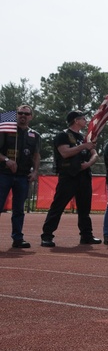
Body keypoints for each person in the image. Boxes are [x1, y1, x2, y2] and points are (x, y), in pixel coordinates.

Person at [40, 110, 100, 246]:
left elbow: (95, 154)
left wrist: (88, 163)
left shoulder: (84, 137)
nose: (86, 120)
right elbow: (65, 152)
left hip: (84, 175)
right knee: (58, 206)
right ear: (75, 120)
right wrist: (83, 146)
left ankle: (86, 235)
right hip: (69, 175)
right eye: (83, 118)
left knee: (85, 208)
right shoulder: (63, 135)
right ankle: (47, 236)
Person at [0, 104, 41, 248]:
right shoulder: (5, 130)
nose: (23, 115)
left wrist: (35, 171)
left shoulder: (35, 135)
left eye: (26, 114)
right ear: (16, 114)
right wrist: (7, 160)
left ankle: (18, 238)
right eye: (20, 113)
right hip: (3, 175)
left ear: (31, 117)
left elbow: (36, 155)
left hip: (23, 176)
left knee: (19, 209)